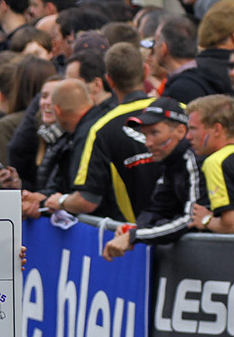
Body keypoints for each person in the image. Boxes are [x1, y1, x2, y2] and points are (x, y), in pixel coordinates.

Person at [48, 44, 161, 223]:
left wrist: (60, 201)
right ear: (146, 71)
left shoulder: (101, 129)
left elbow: (87, 200)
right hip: (187, 229)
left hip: (138, 235)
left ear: (109, 80)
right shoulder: (178, 111)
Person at [103, 97, 204, 260]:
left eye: (155, 133)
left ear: (180, 131)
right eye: (144, 134)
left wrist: (134, 235)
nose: (147, 143)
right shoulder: (171, 162)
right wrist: (135, 228)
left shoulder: (194, 159)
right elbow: (158, 208)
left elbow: (190, 220)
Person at [185, 94, 234, 234]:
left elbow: (231, 226)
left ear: (217, 129)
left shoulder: (216, 162)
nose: (188, 136)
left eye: (193, 128)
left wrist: (206, 220)